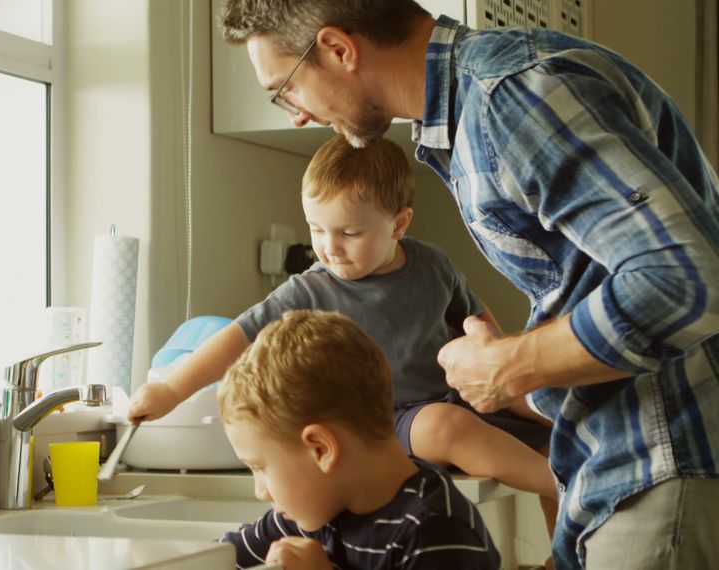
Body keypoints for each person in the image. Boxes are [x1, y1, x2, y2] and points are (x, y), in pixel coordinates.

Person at [217, 1, 719, 569]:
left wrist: (509, 365)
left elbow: (685, 278)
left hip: (660, 453)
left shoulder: (511, 97)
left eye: (286, 87)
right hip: (613, 456)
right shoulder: (478, 112)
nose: (296, 115)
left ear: (338, 49)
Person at [130, 136, 556, 501]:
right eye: (317, 230)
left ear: (399, 224)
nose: (329, 247)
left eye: (349, 233)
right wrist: (170, 389)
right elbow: (238, 336)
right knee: (447, 426)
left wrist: (502, 361)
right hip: (377, 424)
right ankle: (571, 489)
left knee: (554, 414)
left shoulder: (433, 265)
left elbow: (476, 318)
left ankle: (566, 555)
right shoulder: (310, 289)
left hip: (451, 396)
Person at [217, 309, 501, 569]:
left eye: (260, 467)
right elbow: (216, 558)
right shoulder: (315, 507)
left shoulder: (434, 533)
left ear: (320, 449)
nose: (261, 491)